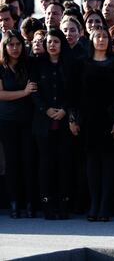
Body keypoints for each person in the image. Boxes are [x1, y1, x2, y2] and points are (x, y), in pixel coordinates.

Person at [70, 27, 114, 222]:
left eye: (104, 37)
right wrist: (72, 119)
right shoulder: (82, 64)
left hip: (110, 119)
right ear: (91, 40)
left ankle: (105, 206)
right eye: (97, 36)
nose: (101, 40)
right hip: (88, 120)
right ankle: (93, 204)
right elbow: (75, 94)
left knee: (109, 164)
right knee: (91, 163)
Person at [31, 29, 75, 220]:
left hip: (65, 121)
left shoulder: (70, 64)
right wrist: (45, 109)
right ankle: (47, 204)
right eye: (49, 42)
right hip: (43, 121)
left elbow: (75, 91)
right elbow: (33, 90)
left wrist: (64, 109)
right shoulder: (37, 64)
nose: (52, 45)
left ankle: (64, 203)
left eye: (56, 41)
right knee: (46, 164)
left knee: (64, 163)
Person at [0, 30, 36, 219]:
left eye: (18, 44)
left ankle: (30, 202)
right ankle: (15, 203)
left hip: (28, 121)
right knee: (12, 163)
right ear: (5, 47)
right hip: (7, 122)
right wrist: (23, 93)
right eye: (11, 44)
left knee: (28, 161)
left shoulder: (28, 65)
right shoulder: (1, 67)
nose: (15, 48)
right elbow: (1, 94)